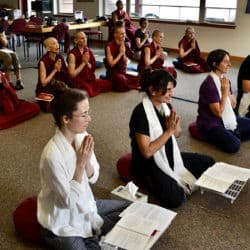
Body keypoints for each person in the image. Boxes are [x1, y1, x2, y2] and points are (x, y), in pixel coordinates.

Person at [37, 88, 130, 250]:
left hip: (85, 202)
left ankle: (94, 234)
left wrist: (86, 161)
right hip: (62, 219)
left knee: (130, 209)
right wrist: (80, 164)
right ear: (66, 118)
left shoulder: (81, 136)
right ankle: (91, 236)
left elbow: (94, 177)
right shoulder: (51, 155)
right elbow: (67, 203)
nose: (89, 119)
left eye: (88, 113)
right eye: (84, 115)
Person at [129, 69, 215, 208]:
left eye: (172, 90)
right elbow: (147, 152)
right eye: (168, 90)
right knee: (175, 199)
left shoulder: (166, 106)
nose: (172, 94)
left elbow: (177, 134)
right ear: (153, 90)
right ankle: (150, 182)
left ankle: (168, 180)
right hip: (149, 164)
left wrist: (176, 127)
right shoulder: (140, 113)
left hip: (169, 156)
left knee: (209, 163)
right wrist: (169, 131)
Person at [196, 49, 250, 153]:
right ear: (215, 64)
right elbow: (218, 113)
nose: (229, 64)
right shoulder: (208, 84)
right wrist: (225, 93)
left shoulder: (225, 80)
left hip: (227, 119)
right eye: (225, 61)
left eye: (229, 61)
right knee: (234, 145)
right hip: (211, 123)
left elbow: (233, 106)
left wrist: (228, 93)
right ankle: (230, 134)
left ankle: (231, 132)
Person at [68, 31, 112, 97]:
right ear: (76, 41)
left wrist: (88, 64)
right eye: (82, 38)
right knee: (88, 91)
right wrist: (83, 63)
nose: (85, 40)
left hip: (90, 79)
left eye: (85, 37)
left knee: (109, 84)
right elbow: (71, 75)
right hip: (79, 80)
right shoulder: (72, 54)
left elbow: (93, 66)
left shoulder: (88, 50)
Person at [104, 21, 139, 92]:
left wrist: (123, 53)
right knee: (121, 80)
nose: (124, 35)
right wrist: (120, 53)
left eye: (124, 33)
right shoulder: (109, 46)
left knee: (139, 77)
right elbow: (111, 64)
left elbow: (126, 61)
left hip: (123, 71)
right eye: (122, 34)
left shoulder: (124, 44)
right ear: (115, 34)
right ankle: (130, 85)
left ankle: (130, 83)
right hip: (113, 74)